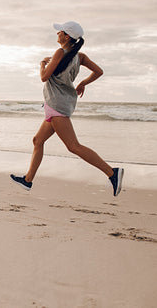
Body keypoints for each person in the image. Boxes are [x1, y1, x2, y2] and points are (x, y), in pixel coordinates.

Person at [10, 21, 124, 196]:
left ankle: (112, 173)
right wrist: (83, 83)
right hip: (58, 104)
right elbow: (99, 71)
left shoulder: (59, 53)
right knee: (37, 141)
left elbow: (44, 77)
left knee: (73, 146)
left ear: (67, 36)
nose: (57, 34)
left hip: (57, 105)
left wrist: (42, 63)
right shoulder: (80, 56)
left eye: (60, 32)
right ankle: (28, 180)